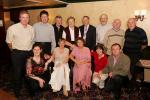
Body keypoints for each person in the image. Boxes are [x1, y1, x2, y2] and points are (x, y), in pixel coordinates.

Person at [6, 10, 35, 97]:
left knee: (29, 72)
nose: (25, 19)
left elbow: (32, 41)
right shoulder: (12, 28)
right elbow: (9, 42)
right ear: (19, 18)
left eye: (27, 17)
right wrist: (14, 51)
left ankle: (30, 90)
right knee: (17, 74)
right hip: (17, 54)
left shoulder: (31, 28)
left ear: (29, 18)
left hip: (29, 53)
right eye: (23, 17)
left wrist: (30, 52)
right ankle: (17, 92)